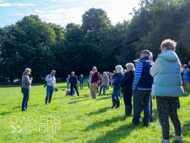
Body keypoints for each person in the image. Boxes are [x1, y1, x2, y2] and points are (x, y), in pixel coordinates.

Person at [150, 39, 184, 143]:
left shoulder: (160, 59)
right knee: (174, 114)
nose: (160, 50)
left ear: (164, 48)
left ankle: (165, 139)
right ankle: (178, 136)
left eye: (161, 48)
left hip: (162, 91)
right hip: (174, 91)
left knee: (163, 115)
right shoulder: (177, 60)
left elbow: (152, 72)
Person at [132, 50, 154, 127]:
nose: (140, 56)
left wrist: (134, 85)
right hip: (149, 87)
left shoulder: (141, 62)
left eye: (140, 54)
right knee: (147, 105)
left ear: (144, 54)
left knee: (137, 105)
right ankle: (146, 122)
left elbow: (137, 76)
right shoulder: (152, 63)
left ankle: (136, 121)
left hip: (140, 87)